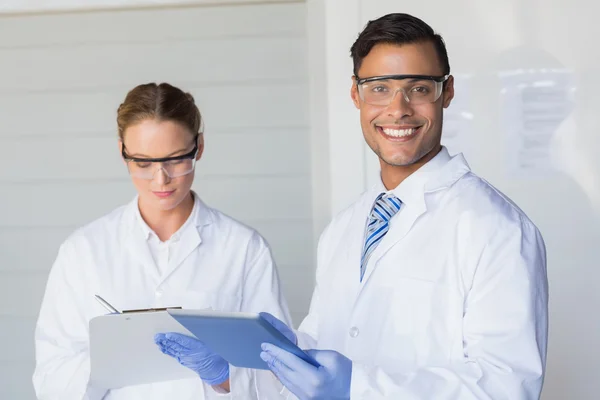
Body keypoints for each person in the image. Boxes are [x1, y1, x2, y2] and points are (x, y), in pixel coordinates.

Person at [258, 13, 549, 400]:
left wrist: (357, 388)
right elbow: (325, 345)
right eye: (379, 88)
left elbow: (507, 387)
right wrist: (264, 357)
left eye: (418, 88)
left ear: (446, 92)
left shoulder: (498, 230)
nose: (398, 109)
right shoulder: (343, 228)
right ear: (355, 94)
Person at [32, 82, 292, 399]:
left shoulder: (243, 249)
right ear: (122, 152)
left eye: (176, 159)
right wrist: (109, 357)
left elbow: (281, 375)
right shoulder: (83, 251)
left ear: (199, 147)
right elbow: (51, 375)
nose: (161, 179)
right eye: (143, 163)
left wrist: (224, 375)